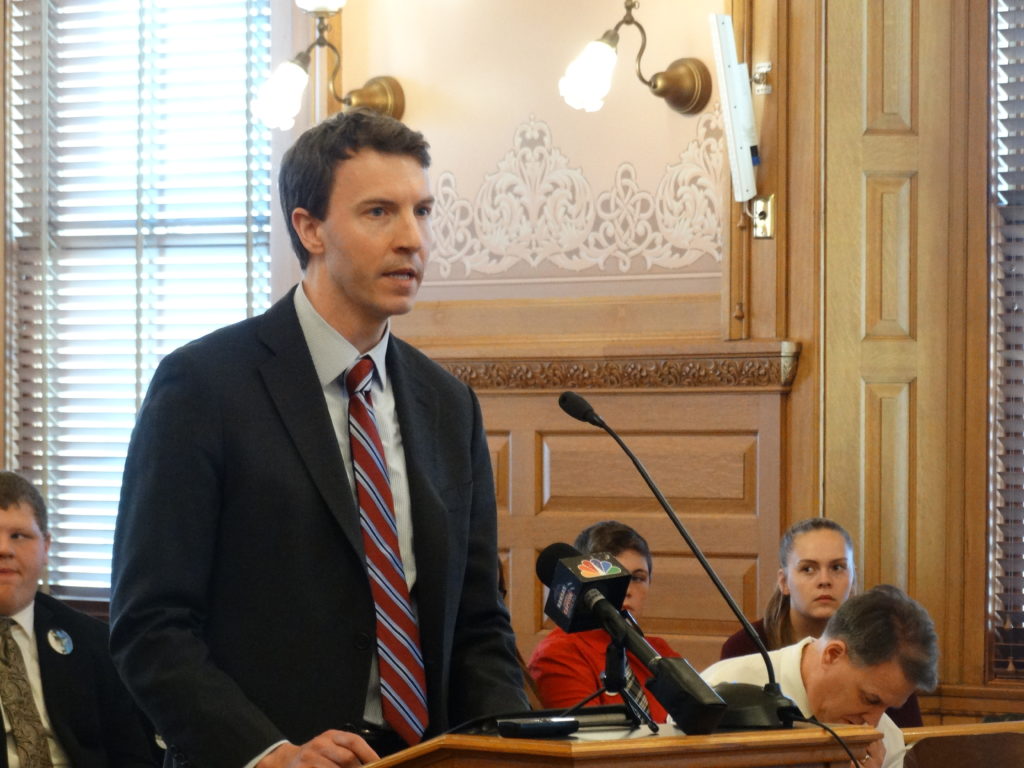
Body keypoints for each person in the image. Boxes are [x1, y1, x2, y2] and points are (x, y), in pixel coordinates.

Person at [109, 109, 528, 768]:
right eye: (379, 213)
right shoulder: (204, 386)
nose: (412, 239)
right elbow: (150, 626)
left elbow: (478, 624)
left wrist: (515, 748)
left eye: (422, 211)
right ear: (309, 229)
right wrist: (270, 752)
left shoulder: (449, 405)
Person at [0, 471, 159, 767]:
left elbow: (132, 754)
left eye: (19, 536)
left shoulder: (90, 640)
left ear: (46, 547)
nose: (4, 549)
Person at [702, 585, 938, 768]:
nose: (873, 723)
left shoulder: (884, 743)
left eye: (887, 707)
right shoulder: (718, 692)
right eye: (870, 699)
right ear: (833, 654)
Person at [719, 518, 922, 727]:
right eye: (808, 569)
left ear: (853, 580)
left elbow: (905, 736)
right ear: (784, 582)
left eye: (837, 567)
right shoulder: (744, 646)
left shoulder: (886, 647)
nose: (824, 580)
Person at [527, 520, 681, 723]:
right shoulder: (559, 653)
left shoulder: (659, 651)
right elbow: (585, 737)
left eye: (637, 578)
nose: (627, 590)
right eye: (616, 579)